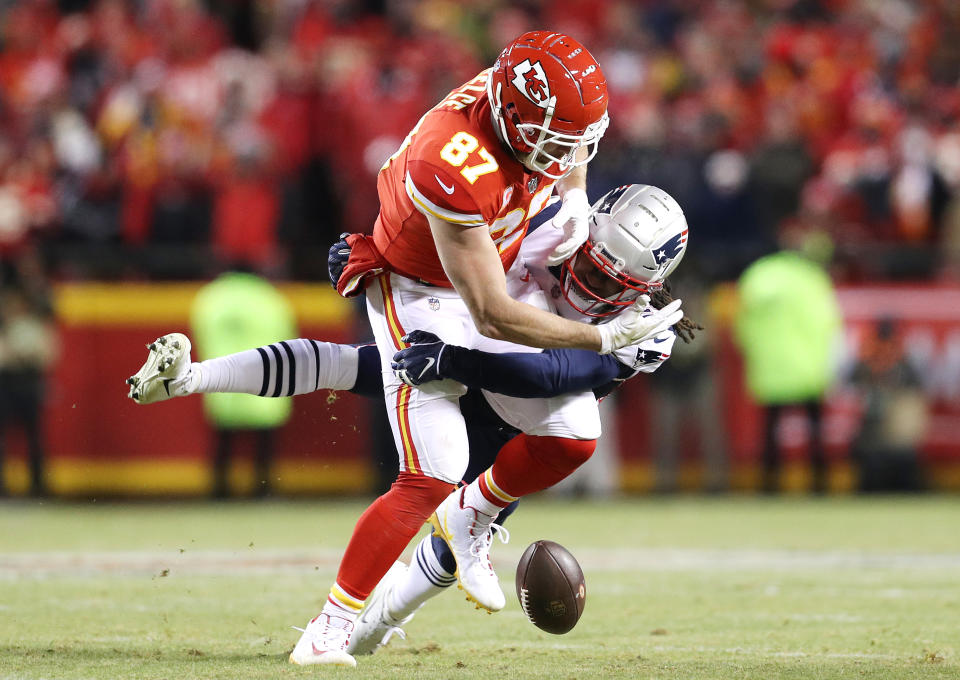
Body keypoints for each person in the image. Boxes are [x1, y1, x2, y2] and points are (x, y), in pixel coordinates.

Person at [127, 182, 699, 656]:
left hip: (520, 415)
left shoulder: (650, 329)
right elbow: (451, 227)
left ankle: (374, 624)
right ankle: (189, 379)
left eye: (608, 284)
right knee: (351, 366)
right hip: (478, 337)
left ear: (647, 288)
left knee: (463, 532)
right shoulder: (554, 226)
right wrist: (380, 252)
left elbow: (551, 374)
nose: (587, 284)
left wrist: (450, 360)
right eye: (589, 268)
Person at [734, 227, 842, 494]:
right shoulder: (813, 277)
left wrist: (754, 350)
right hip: (808, 368)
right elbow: (829, 322)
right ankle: (820, 485)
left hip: (772, 369)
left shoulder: (759, 275)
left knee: (770, 432)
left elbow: (742, 322)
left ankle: (769, 487)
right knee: (816, 431)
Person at [189, 270, 298, 498]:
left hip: (222, 384)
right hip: (265, 382)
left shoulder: (212, 297)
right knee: (264, 445)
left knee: (224, 442)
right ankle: (264, 489)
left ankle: (219, 490)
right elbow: (288, 337)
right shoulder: (270, 298)